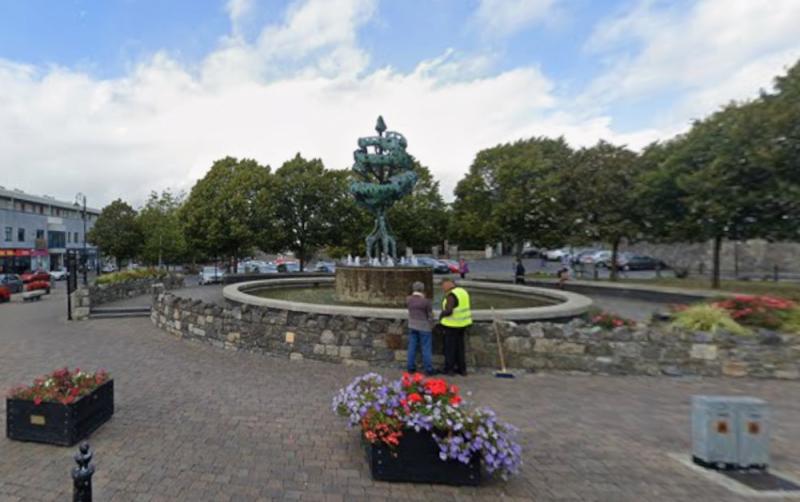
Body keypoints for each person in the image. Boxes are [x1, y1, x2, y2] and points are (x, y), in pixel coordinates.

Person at [438, 278, 472, 376]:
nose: (442, 288)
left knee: (450, 349)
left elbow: (449, 310)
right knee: (460, 348)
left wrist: (441, 315)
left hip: (452, 325)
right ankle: (462, 369)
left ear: (449, 284)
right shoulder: (463, 292)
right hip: (463, 324)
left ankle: (449, 369)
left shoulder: (451, 295)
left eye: (443, 285)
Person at [406, 281, 434, 375]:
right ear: (422, 289)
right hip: (424, 327)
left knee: (412, 347)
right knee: (426, 348)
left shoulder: (408, 299)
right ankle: (428, 369)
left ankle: (410, 367)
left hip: (412, 325)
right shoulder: (426, 301)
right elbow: (430, 315)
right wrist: (432, 325)